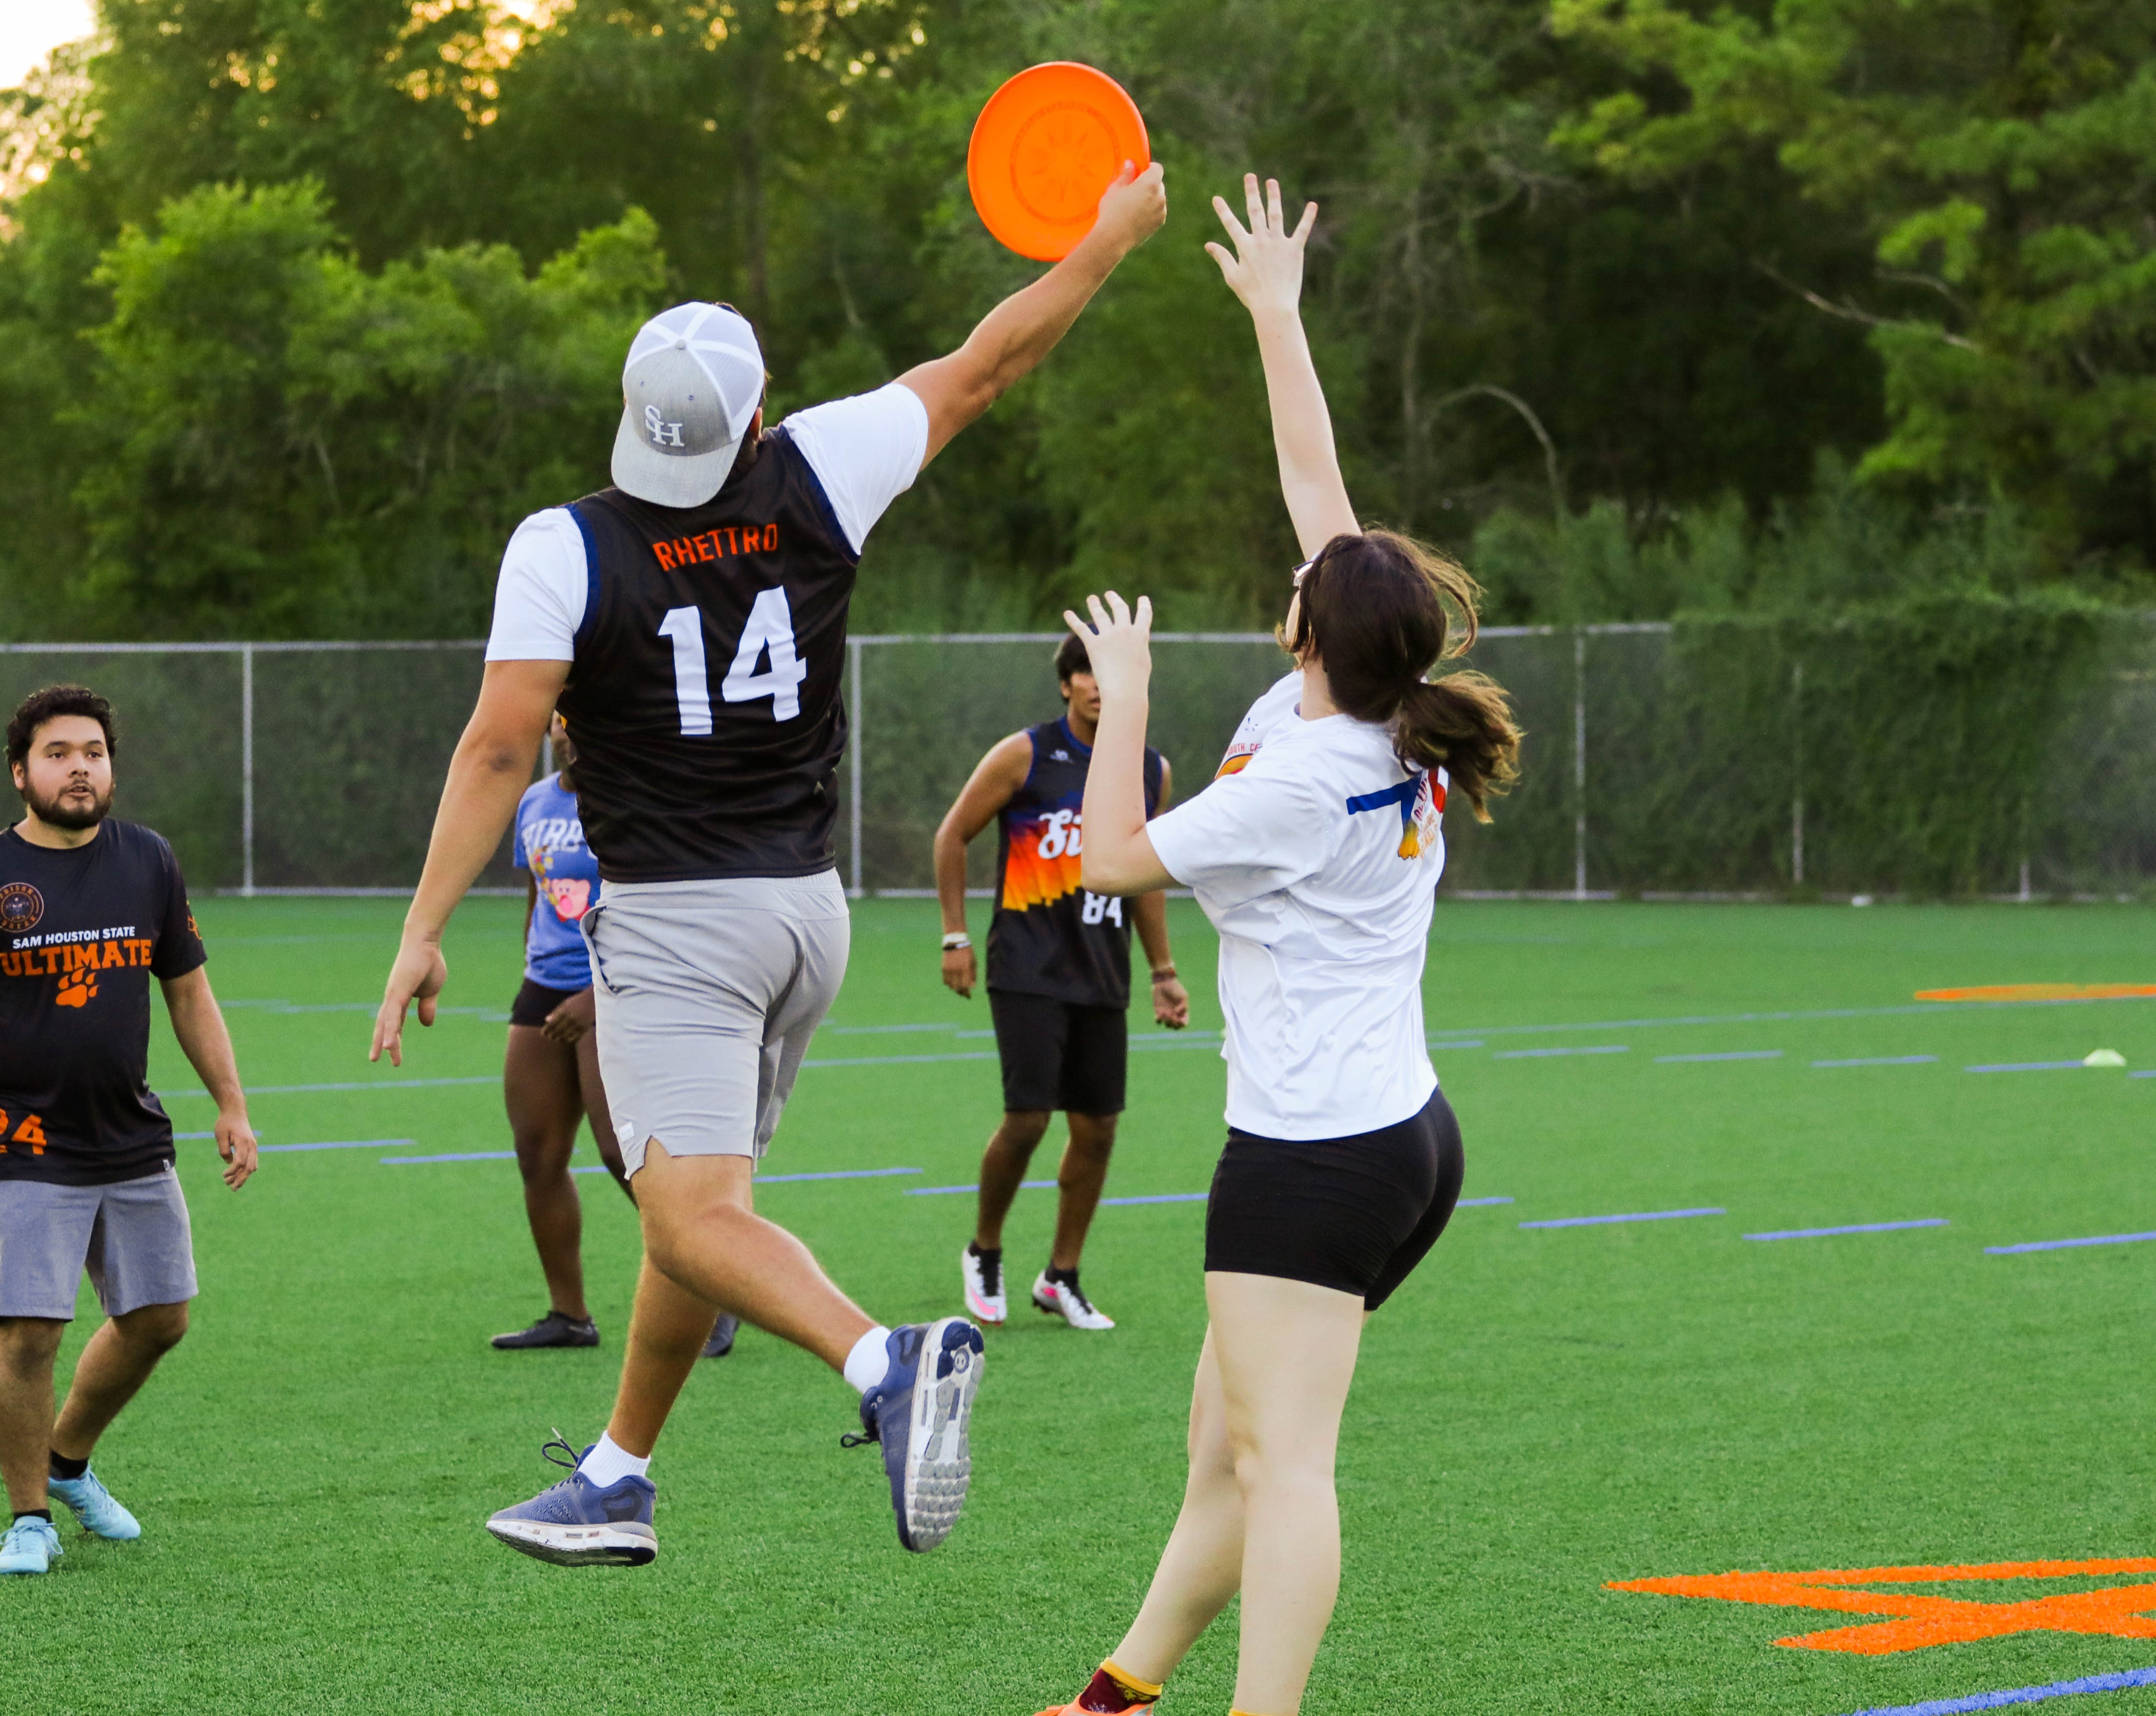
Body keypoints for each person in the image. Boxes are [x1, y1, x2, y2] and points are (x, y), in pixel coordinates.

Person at [368, 158, 1171, 1569]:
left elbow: (497, 752)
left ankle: (888, 1365)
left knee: (689, 1214)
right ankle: (619, 1475)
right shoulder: (822, 466)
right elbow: (991, 361)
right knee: (703, 1216)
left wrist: (423, 926)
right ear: (755, 410)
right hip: (807, 918)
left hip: (678, 927)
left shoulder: (563, 544)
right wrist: (1106, 241)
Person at [1031, 177, 1523, 1716]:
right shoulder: (1370, 699)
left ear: (1314, 632)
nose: (1303, 562)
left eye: (1311, 578)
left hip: (1318, 1156)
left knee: (1283, 1462)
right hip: (1393, 1136)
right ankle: (1118, 1694)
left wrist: (1119, 697)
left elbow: (1111, 859)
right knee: (1225, 1450)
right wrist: (1273, 313)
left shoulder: (1314, 769)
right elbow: (1317, 479)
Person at [0, 683, 259, 1578]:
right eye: (57, 754)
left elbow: (189, 993)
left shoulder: (150, 860)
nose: (80, 768)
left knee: (160, 1319)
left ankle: (67, 1463)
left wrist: (232, 1103)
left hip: (130, 1134)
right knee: (30, 1335)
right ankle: (29, 1519)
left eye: (93, 752)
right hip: (23, 1143)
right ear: (21, 773)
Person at [933, 632, 1192, 1331]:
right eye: (1086, 673)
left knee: (1098, 1128)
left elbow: (1147, 875)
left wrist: (1163, 972)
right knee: (1028, 1119)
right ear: (1066, 684)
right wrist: (956, 936)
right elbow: (952, 835)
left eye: (1109, 673)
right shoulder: (1025, 754)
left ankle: (1062, 1276)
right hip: (1027, 967)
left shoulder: (1149, 770)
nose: (1098, 685)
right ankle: (985, 1250)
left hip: (1102, 970)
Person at [491, 715, 738, 1358]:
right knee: (537, 1156)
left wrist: (593, 998)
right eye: (559, 721)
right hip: (544, 987)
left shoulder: (635, 801)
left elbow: (662, 912)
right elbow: (540, 895)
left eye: (580, 720)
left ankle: (719, 1286)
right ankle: (570, 1316)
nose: (568, 733)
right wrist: (534, 966)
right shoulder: (535, 801)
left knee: (619, 1151)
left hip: (620, 986)